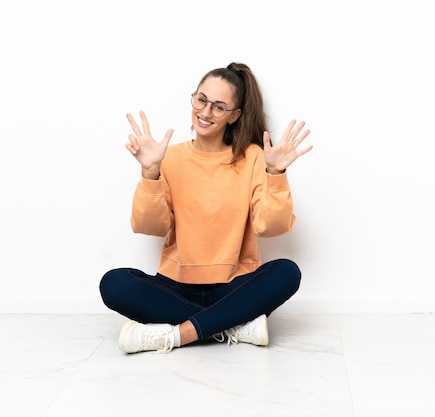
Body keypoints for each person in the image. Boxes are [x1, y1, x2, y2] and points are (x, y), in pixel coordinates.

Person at [99, 62, 312, 354]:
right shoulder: (169, 158)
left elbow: (270, 227)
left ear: (234, 115)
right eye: (201, 100)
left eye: (218, 107)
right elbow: (150, 226)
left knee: (287, 272)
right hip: (176, 284)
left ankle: (173, 336)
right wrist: (150, 172)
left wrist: (275, 174)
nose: (205, 112)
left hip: (233, 285)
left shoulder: (253, 158)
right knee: (114, 283)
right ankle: (233, 324)